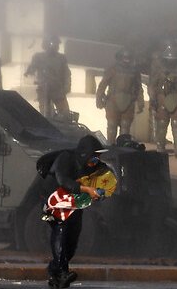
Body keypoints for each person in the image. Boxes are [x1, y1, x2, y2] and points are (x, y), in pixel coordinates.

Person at [39, 135, 107, 288]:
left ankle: (55, 271)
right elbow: (63, 180)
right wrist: (87, 189)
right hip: (53, 201)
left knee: (72, 239)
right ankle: (61, 272)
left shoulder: (89, 167)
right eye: (94, 157)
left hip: (72, 203)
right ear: (84, 154)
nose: (96, 160)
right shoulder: (65, 159)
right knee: (60, 231)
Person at [95, 48, 144, 145]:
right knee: (112, 125)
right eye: (125, 57)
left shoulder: (134, 72)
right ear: (120, 58)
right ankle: (110, 147)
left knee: (125, 127)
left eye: (128, 57)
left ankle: (123, 148)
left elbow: (138, 88)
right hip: (112, 101)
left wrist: (140, 102)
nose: (127, 59)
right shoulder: (112, 69)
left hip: (129, 101)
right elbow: (103, 84)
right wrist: (99, 99)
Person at [148, 44, 177, 156]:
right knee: (162, 124)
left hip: (176, 98)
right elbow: (152, 86)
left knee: (176, 125)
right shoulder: (159, 71)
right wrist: (153, 99)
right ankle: (160, 149)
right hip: (162, 98)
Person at [25, 35, 72, 117]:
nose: (55, 46)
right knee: (46, 114)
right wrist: (29, 72)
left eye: (56, 44)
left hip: (58, 90)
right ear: (45, 45)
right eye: (52, 43)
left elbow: (67, 74)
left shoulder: (61, 58)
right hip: (44, 90)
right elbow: (31, 69)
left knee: (65, 115)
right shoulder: (39, 57)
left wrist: (67, 86)